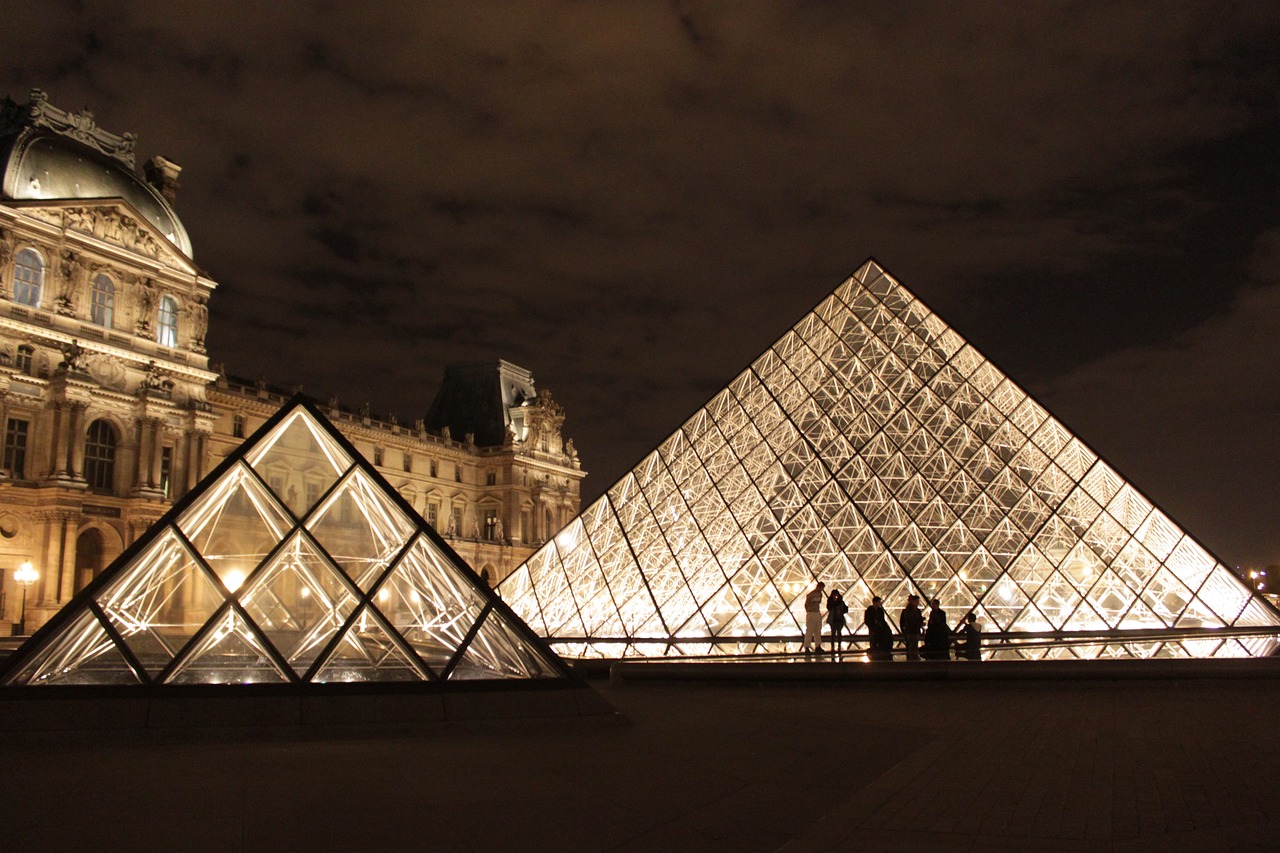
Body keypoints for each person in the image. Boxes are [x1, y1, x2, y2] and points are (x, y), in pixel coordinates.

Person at [864, 595, 893, 660]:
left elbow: (882, 620)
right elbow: (867, 620)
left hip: (879, 629)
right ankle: (874, 652)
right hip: (873, 628)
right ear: (875, 602)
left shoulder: (879, 610)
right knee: (873, 640)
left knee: (876, 640)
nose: (880, 603)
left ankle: (876, 653)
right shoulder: (871, 611)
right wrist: (872, 627)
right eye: (879, 602)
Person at [801, 581, 825, 653]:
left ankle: (817, 646)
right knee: (810, 631)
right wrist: (809, 610)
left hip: (816, 612)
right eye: (821, 588)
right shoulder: (811, 595)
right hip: (811, 613)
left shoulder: (820, 594)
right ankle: (807, 646)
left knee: (818, 630)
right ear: (818, 587)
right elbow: (806, 604)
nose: (822, 590)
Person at [899, 594, 924, 660]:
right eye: (917, 601)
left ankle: (912, 657)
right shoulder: (910, 610)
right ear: (913, 601)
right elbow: (912, 620)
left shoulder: (910, 610)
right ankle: (913, 657)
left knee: (913, 645)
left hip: (912, 630)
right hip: (912, 630)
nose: (918, 603)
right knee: (913, 645)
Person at [826, 588, 848, 652]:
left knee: (837, 633)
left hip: (837, 619)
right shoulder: (838, 601)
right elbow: (829, 608)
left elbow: (845, 609)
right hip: (836, 619)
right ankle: (835, 645)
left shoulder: (840, 602)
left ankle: (837, 645)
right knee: (835, 633)